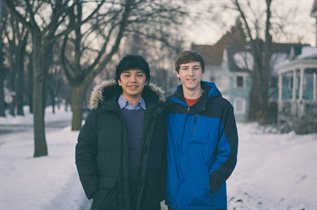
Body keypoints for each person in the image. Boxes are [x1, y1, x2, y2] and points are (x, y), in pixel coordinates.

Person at [75, 55, 167, 210]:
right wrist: (94, 191)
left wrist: (159, 190)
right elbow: (84, 151)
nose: (133, 80)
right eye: (127, 75)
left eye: (139, 75)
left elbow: (166, 154)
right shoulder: (100, 113)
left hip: (147, 197)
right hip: (109, 198)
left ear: (146, 80)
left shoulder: (158, 114)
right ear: (119, 81)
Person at [165, 50, 238, 210]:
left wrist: (206, 186)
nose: (190, 73)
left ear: (202, 72)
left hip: (208, 201)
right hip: (175, 201)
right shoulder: (167, 108)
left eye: (195, 68)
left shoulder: (221, 108)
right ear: (178, 73)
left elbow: (228, 155)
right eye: (185, 68)